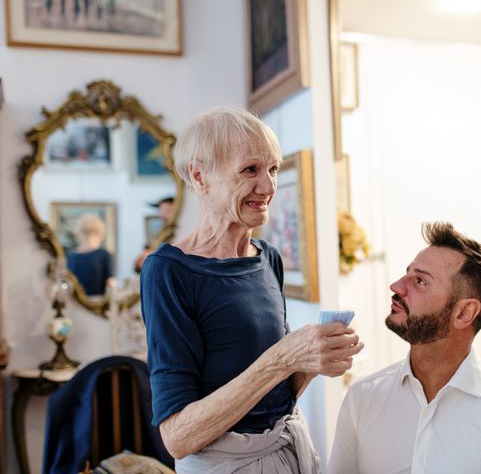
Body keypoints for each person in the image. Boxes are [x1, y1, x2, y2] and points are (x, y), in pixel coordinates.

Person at [140, 106, 364, 473]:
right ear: (200, 177)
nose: (269, 186)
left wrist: (313, 360)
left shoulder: (267, 258)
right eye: (250, 170)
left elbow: (274, 395)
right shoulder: (168, 270)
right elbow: (178, 437)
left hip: (285, 451)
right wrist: (283, 358)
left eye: (273, 169)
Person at [328, 222, 481, 474]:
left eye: (420, 281)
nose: (396, 286)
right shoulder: (361, 399)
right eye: (407, 274)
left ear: (464, 312)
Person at [66, 214, 114, 296]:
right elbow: (111, 285)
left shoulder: (70, 255)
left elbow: (110, 284)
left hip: (88, 305)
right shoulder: (71, 255)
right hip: (90, 305)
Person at [133, 196, 175, 273]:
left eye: (166, 210)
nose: (161, 214)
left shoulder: (174, 229)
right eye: (161, 211)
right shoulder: (164, 230)